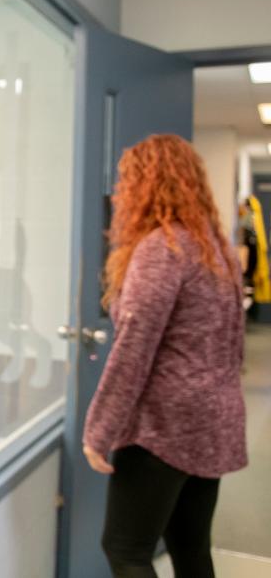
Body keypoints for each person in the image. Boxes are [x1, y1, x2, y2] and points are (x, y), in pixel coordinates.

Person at [82, 134, 247, 578]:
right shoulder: (216, 248)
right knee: (190, 547)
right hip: (212, 418)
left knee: (126, 549)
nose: (118, 193)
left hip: (165, 426)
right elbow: (233, 345)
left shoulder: (163, 249)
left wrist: (99, 430)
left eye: (125, 182)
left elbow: (134, 347)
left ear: (148, 185)